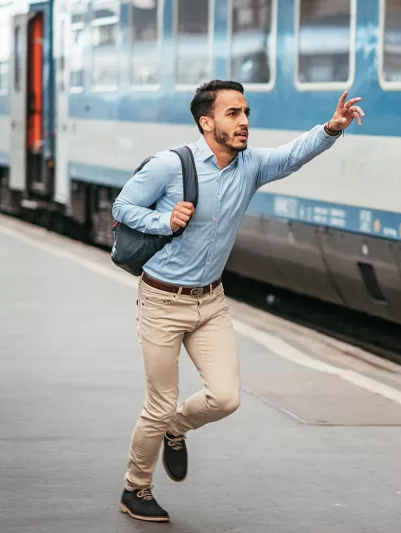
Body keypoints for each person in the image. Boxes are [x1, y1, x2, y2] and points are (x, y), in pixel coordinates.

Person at [111, 80, 365, 523]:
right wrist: (162, 219)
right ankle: (136, 488)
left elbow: (290, 156)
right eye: (233, 113)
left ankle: (178, 428)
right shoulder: (172, 165)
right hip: (162, 302)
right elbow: (121, 206)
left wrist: (331, 128)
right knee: (159, 402)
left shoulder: (250, 166)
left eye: (246, 112)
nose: (244, 121)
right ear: (207, 122)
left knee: (226, 398)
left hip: (210, 302)